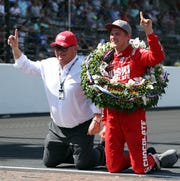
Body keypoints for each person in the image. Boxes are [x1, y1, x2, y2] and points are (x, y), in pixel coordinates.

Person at [88, 11, 178, 174]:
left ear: (127, 36)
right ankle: (142, 157)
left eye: (118, 34)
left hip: (133, 118)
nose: (113, 37)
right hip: (114, 118)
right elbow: (105, 94)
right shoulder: (107, 61)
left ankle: (152, 160)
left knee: (140, 169)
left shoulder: (137, 54)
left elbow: (157, 57)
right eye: (111, 34)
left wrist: (149, 32)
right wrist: (106, 123)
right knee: (112, 167)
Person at [8, 29, 105, 170]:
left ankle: (102, 151)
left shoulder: (86, 66)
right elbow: (25, 66)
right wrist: (15, 48)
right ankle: (77, 152)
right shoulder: (48, 65)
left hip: (81, 126)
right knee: (50, 162)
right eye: (57, 47)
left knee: (84, 164)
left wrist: (97, 117)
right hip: (58, 127)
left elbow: (96, 93)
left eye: (64, 48)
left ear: (75, 48)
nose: (60, 51)